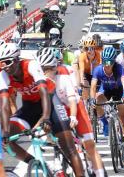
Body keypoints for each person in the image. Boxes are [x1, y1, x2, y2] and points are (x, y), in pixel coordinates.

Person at [0, 43, 85, 176]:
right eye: (1, 64)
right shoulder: (2, 76)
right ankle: (37, 164)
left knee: (69, 149)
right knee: (5, 143)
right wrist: (5, 131)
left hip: (50, 102)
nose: (5, 67)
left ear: (16, 59)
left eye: (7, 62)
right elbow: (4, 105)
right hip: (29, 107)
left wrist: (46, 118)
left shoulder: (30, 65)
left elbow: (43, 92)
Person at [37, 49, 105, 177]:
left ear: (55, 68)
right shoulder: (40, 82)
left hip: (75, 108)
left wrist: (73, 117)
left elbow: (73, 101)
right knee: (57, 142)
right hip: (56, 112)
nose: (45, 73)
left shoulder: (63, 78)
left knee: (89, 145)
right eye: (42, 69)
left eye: (48, 69)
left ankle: (100, 173)